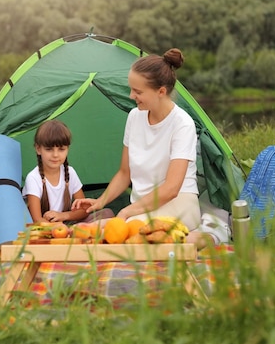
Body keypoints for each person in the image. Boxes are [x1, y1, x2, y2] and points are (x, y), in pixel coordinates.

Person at [71, 48, 203, 233]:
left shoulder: (182, 124)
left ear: (161, 91)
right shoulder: (135, 116)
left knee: (118, 232)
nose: (131, 96)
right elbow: (125, 173)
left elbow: (172, 188)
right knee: (89, 232)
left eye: (137, 91)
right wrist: (100, 201)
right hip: (141, 209)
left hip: (178, 205)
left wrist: (127, 212)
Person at [23, 119, 114, 224]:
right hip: (45, 229)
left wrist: (63, 216)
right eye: (49, 149)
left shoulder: (70, 172)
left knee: (107, 213)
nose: (55, 155)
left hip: (65, 224)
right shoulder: (33, 178)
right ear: (38, 149)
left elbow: (84, 211)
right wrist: (57, 229)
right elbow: (36, 219)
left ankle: (73, 233)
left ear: (67, 149)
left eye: (61, 149)